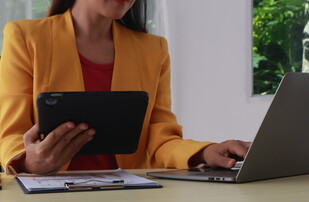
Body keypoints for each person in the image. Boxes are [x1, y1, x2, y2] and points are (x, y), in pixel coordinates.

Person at [0, 0, 250, 175]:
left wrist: (205, 152)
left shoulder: (153, 50)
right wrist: (30, 162)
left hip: (130, 197)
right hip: (48, 197)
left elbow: (160, 139)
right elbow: (11, 132)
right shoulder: (26, 37)